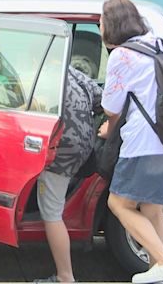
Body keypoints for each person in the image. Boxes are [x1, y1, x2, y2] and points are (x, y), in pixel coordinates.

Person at [98, 0, 163, 284]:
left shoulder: (121, 56)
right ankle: (160, 273)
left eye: (101, 20)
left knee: (119, 204)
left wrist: (106, 128)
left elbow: (111, 107)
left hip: (144, 144)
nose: (100, 25)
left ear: (111, 25)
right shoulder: (160, 43)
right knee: (151, 208)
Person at [35, 65, 103, 283]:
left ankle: (65, 277)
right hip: (83, 145)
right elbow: (102, 99)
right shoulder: (70, 69)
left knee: (52, 213)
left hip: (60, 149)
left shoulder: (36, 74)